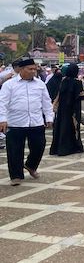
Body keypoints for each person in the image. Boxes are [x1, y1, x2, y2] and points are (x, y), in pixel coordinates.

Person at [0, 58, 54, 186]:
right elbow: (2, 103)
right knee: (14, 150)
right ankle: (16, 176)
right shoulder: (10, 85)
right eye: (30, 69)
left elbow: (46, 102)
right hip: (15, 122)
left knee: (39, 146)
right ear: (21, 70)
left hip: (36, 122)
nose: (33, 71)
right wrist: (2, 120)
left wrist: (49, 118)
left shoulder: (40, 84)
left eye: (35, 69)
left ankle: (30, 165)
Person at [49, 64, 84, 156]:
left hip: (63, 109)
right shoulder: (77, 82)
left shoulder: (64, 81)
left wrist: (54, 104)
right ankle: (73, 147)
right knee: (73, 127)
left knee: (62, 126)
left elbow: (59, 94)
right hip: (73, 109)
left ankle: (58, 148)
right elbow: (80, 95)